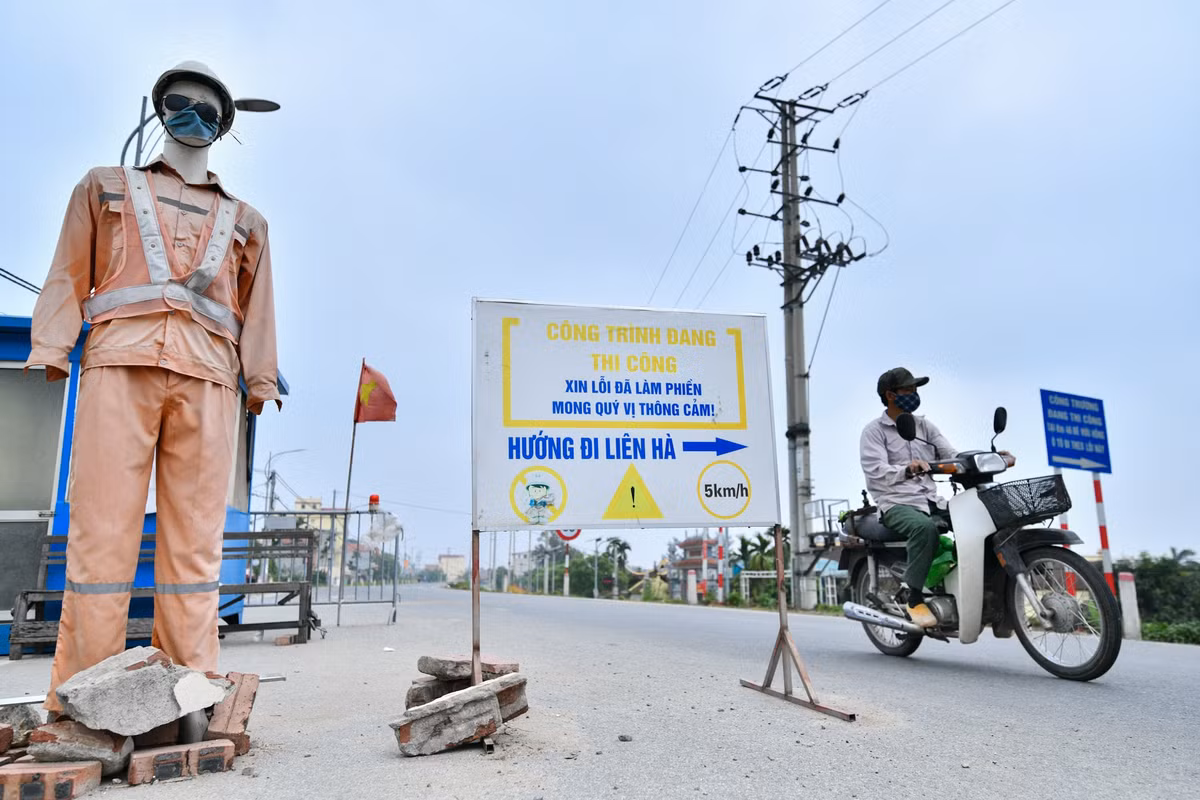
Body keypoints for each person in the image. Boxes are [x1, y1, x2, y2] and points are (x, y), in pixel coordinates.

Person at [25, 62, 279, 736]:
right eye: (180, 103)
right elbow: (68, 268)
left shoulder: (247, 221)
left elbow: (258, 312)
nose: (192, 115)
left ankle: (187, 701)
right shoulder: (104, 188)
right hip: (119, 369)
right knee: (102, 539)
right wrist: (52, 347)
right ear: (159, 107)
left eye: (207, 108)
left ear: (224, 126)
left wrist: (259, 379)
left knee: (194, 551)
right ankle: (83, 699)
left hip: (208, 383)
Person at [859, 368, 962, 628]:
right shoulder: (874, 432)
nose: (914, 395)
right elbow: (876, 472)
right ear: (890, 395)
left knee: (978, 520)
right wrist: (907, 468)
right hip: (896, 503)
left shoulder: (925, 426)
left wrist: (987, 459)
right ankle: (914, 599)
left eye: (916, 390)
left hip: (931, 500)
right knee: (924, 528)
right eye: (908, 391)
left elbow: (951, 454)